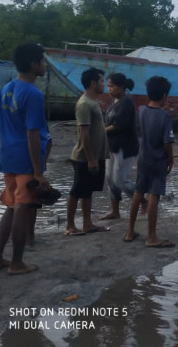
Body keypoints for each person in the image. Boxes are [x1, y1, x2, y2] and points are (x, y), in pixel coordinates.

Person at [0, 43, 50, 274]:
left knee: (11, 207)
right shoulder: (33, 93)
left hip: (9, 156)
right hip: (25, 160)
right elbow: (32, 133)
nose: (45, 64)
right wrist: (38, 172)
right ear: (33, 65)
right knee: (22, 207)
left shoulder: (6, 88)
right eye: (42, 61)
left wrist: (7, 135)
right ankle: (17, 263)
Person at [123, 76, 175, 248]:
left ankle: (130, 231)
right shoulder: (165, 117)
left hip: (143, 158)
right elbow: (167, 142)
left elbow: (152, 117)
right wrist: (171, 158)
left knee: (138, 193)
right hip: (158, 159)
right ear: (165, 95)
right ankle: (151, 237)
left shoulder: (142, 110)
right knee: (154, 196)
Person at [64, 68, 110, 236]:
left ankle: (87, 224)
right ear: (93, 83)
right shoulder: (84, 103)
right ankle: (69, 226)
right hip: (84, 157)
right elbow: (84, 133)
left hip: (94, 156)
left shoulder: (93, 102)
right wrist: (91, 159)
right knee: (76, 190)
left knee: (87, 190)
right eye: (101, 81)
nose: (103, 84)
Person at [100, 72, 139, 221]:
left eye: (111, 86)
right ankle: (115, 211)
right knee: (110, 179)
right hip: (111, 146)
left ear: (121, 86)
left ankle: (141, 198)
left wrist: (100, 131)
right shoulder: (113, 103)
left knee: (120, 180)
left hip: (125, 146)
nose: (108, 89)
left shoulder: (127, 102)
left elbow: (119, 125)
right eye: (108, 86)